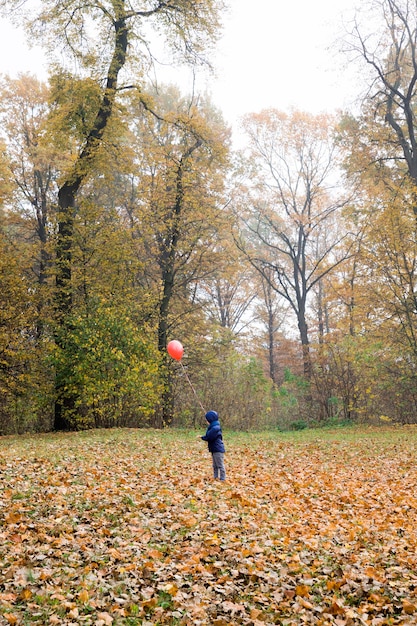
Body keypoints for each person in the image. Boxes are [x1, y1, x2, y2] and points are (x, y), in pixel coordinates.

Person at [201, 410, 226, 481]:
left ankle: (222, 479)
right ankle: (215, 477)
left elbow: (209, 437)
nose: (206, 421)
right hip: (214, 449)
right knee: (215, 465)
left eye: (207, 420)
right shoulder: (214, 427)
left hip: (217, 449)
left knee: (220, 465)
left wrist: (202, 437)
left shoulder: (214, 428)